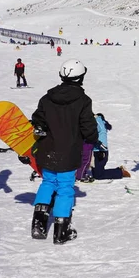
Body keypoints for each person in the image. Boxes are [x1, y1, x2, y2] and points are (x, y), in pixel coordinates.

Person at [30, 59, 99, 244]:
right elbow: (88, 127)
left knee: (48, 182)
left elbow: (37, 120)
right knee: (65, 189)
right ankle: (61, 231)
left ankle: (39, 224)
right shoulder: (83, 101)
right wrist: (93, 139)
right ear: (81, 77)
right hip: (68, 151)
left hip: (47, 149)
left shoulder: (47, 97)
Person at [77, 113, 131, 181]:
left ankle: (120, 172)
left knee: (98, 175)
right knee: (95, 172)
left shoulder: (96, 121)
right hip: (98, 150)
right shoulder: (99, 120)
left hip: (100, 151)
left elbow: (91, 133)